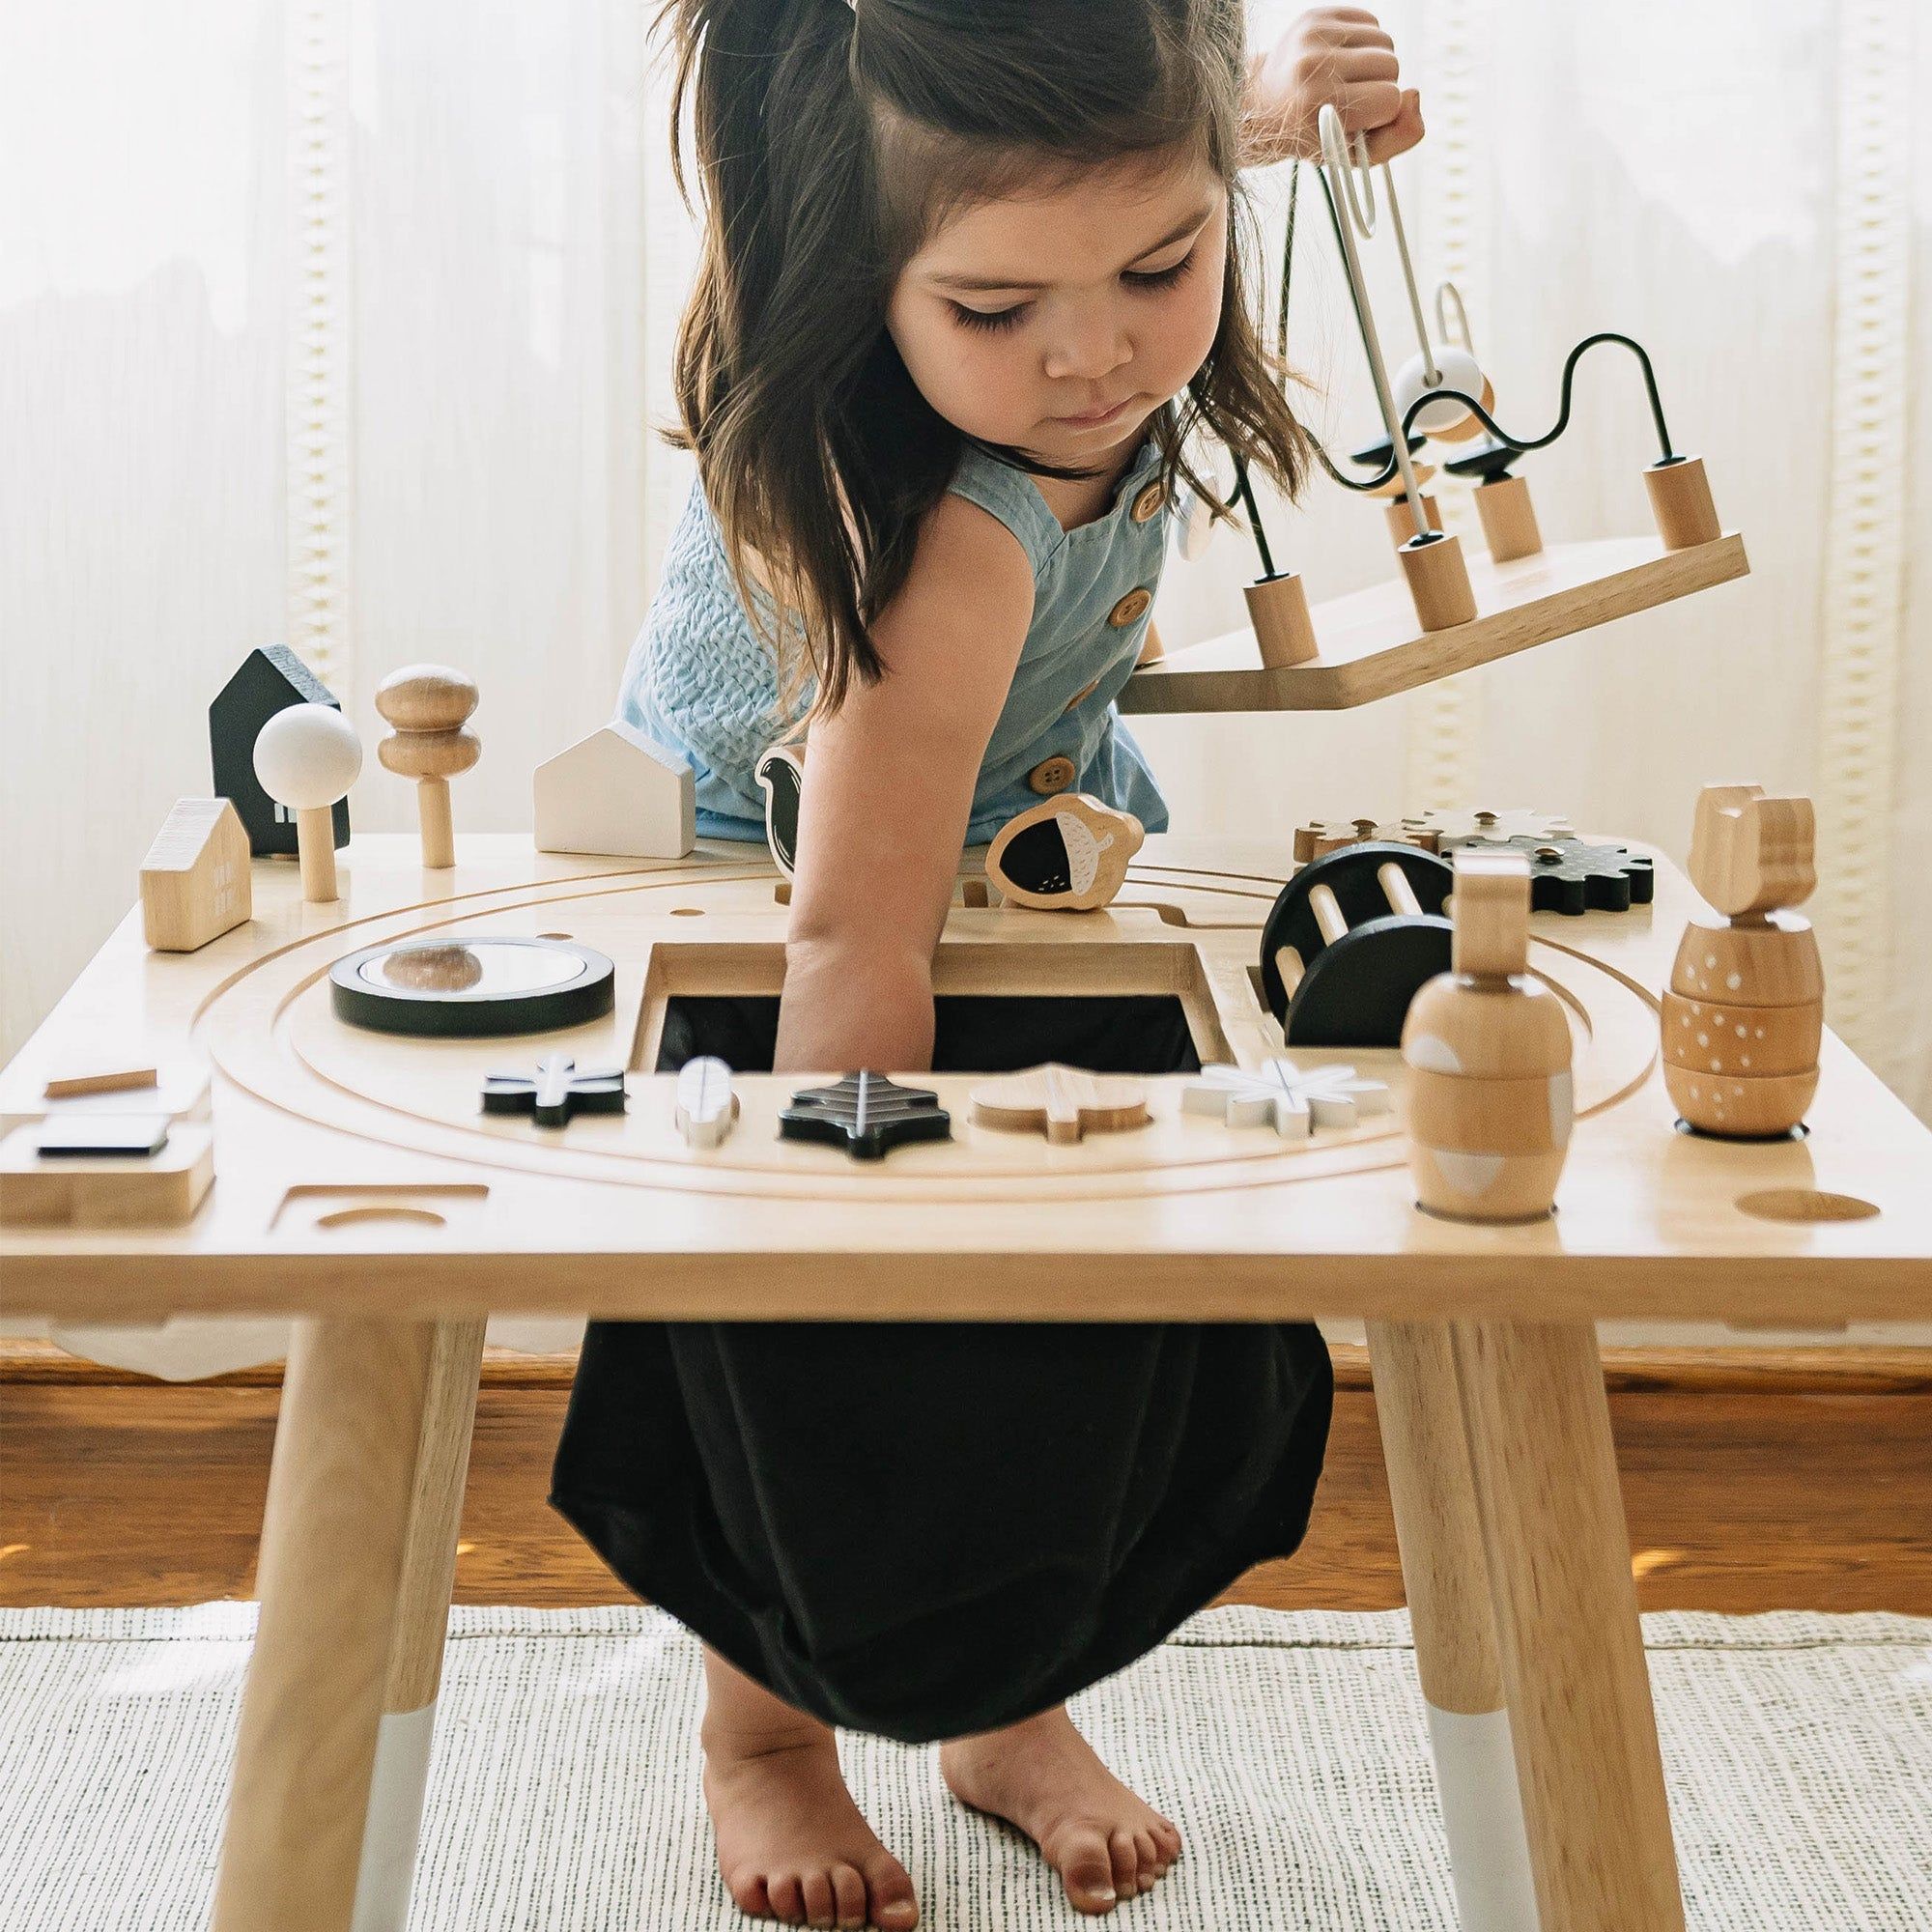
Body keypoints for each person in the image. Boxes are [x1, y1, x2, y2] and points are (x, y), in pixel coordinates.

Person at [548, 5, 1422, 1926]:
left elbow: (1108, 187)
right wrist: (850, 1199)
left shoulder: (1066, 296)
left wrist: (1265, 120)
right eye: (1000, 308)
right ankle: (764, 1735)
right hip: (792, 929)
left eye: (1163, 265)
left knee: (1070, 1356)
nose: (1094, 349)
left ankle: (1004, 1709)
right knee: (838, 1394)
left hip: (1022, 852)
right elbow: (853, 919)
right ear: (864, 282)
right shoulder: (946, 536)